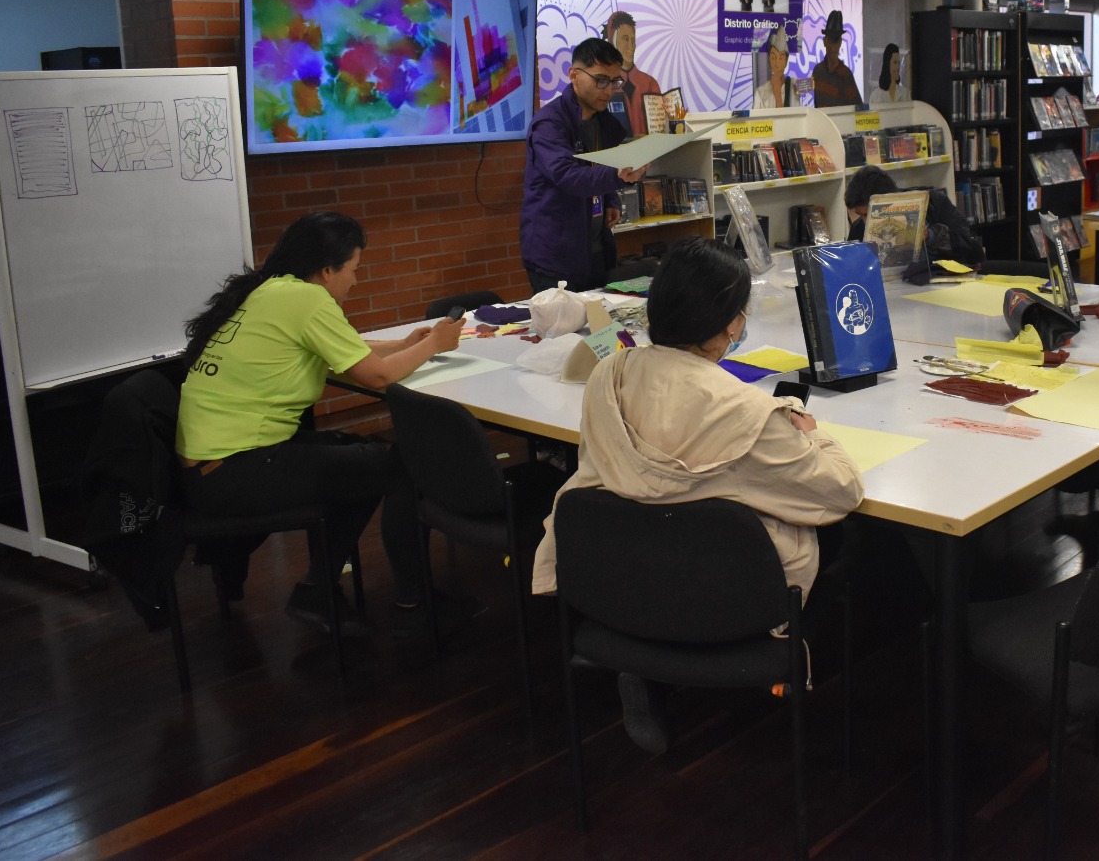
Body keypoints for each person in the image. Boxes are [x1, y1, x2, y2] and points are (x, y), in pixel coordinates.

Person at [531, 236, 863, 751]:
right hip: (723, 596)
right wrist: (810, 431)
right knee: (848, 541)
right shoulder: (749, 415)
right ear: (733, 324)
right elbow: (841, 492)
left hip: (617, 580)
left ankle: (642, 667)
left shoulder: (609, 375)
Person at [175, 211, 465, 632]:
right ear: (328, 270)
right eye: (354, 270)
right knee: (402, 466)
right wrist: (436, 343)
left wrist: (406, 344)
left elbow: (349, 350)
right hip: (235, 470)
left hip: (211, 466)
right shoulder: (306, 300)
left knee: (361, 458)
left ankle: (319, 589)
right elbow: (378, 377)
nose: (356, 281)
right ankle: (412, 599)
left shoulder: (272, 291)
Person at [521, 38, 648, 294]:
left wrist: (610, 199)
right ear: (574, 75)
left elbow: (598, 163)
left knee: (601, 327)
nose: (608, 89)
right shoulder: (549, 124)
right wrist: (617, 176)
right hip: (555, 254)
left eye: (615, 82)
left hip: (596, 248)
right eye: (601, 80)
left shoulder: (605, 122)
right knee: (563, 332)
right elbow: (568, 176)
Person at [844, 165, 984, 268]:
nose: (865, 221)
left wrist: (930, 236)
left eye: (869, 214)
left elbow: (965, 242)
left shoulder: (933, 203)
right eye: (860, 214)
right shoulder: (859, 229)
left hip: (946, 279)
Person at [604, 11, 663, 135]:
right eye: (625, 39)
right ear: (612, 40)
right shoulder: (604, 84)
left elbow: (659, 129)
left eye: (633, 40)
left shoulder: (650, 83)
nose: (631, 46)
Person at [812, 9, 864, 108]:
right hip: (821, 122)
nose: (833, 47)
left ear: (840, 43)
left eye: (836, 41)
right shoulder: (818, 71)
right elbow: (804, 89)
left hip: (840, 123)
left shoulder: (845, 74)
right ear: (825, 41)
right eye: (830, 41)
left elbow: (858, 107)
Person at [752, 27, 794, 109]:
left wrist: (777, 91)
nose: (777, 64)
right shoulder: (761, 92)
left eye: (781, 58)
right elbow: (756, 121)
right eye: (773, 58)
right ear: (769, 60)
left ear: (786, 62)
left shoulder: (793, 88)